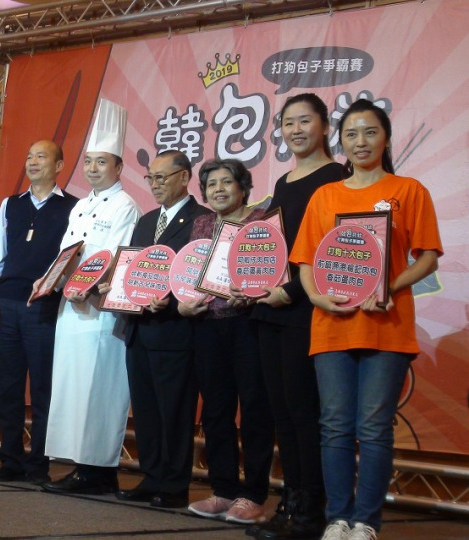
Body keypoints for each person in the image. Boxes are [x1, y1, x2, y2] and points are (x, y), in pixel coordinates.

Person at [291, 99, 442, 540]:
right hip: (332, 326)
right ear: (341, 141)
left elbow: (427, 257)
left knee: (374, 428)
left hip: (386, 325)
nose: (361, 141)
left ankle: (366, 523)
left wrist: (389, 287)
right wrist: (318, 297)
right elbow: (306, 261)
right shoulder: (325, 195)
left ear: (386, 138)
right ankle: (338, 518)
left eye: (370, 132)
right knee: (335, 426)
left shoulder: (409, 190)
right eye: (352, 134)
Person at [245, 94, 343, 540]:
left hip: (309, 309)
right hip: (272, 309)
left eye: (305, 121)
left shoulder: (337, 178)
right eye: (288, 123)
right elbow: (278, 248)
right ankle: (291, 500)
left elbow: (333, 250)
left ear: (324, 125)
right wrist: (252, 283)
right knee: (281, 411)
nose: (296, 130)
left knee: (305, 411)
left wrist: (291, 291)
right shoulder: (284, 182)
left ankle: (311, 510)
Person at [36, 99, 142, 495]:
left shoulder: (126, 206)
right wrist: (49, 279)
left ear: (119, 167)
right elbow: (68, 252)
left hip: (99, 311)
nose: (93, 168)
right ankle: (78, 466)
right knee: (71, 386)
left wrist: (87, 286)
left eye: (102, 162)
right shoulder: (81, 205)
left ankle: (97, 470)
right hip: (70, 307)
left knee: (99, 388)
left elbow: (116, 256)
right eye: (89, 162)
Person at [178, 159, 274, 524]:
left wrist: (253, 291)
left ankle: (253, 495)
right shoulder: (202, 224)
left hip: (249, 324)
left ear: (243, 187)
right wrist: (183, 302)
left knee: (254, 409)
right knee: (215, 411)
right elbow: (189, 272)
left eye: (226, 182)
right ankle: (223, 490)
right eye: (211, 184)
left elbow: (273, 271)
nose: (218, 189)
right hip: (206, 325)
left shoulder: (262, 221)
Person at [115, 150, 210, 508]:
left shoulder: (202, 220)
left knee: (174, 411)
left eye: (161, 177)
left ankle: (173, 485)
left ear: (184, 177)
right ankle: (151, 475)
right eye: (150, 178)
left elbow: (199, 276)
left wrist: (168, 303)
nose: (154, 185)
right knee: (146, 410)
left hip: (175, 331)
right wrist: (118, 290)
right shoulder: (146, 221)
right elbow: (134, 271)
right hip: (139, 328)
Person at [0, 140, 78, 484]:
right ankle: (11, 460)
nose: (32, 161)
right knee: (7, 387)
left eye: (41, 156)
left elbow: (73, 258)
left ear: (59, 166)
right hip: (6, 303)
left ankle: (39, 464)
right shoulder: (11, 204)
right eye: (29, 155)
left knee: (42, 389)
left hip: (44, 307)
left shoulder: (74, 207)